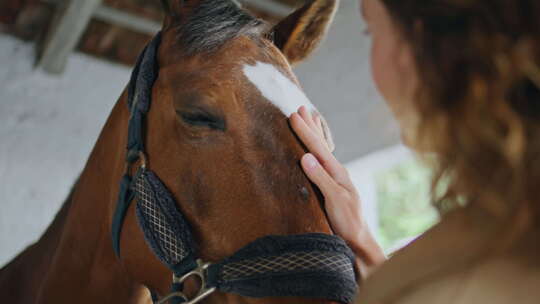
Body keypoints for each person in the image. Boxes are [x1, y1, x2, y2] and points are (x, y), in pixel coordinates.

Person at [290, 0, 540, 303]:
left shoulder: (476, 275)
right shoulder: (505, 221)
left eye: (372, 31)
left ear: (417, 47)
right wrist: (364, 246)